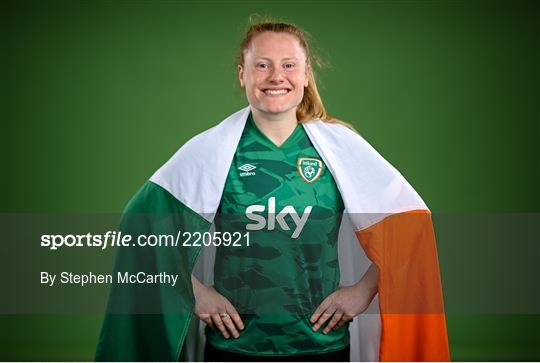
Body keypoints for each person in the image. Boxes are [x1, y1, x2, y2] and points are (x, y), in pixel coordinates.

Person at [96, 19, 450, 362]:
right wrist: (196, 292)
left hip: (321, 346)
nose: (276, 77)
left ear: (306, 74)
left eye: (288, 65)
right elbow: (141, 227)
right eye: (262, 65)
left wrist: (363, 290)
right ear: (243, 74)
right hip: (235, 348)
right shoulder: (211, 151)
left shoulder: (341, 149)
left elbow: (409, 225)